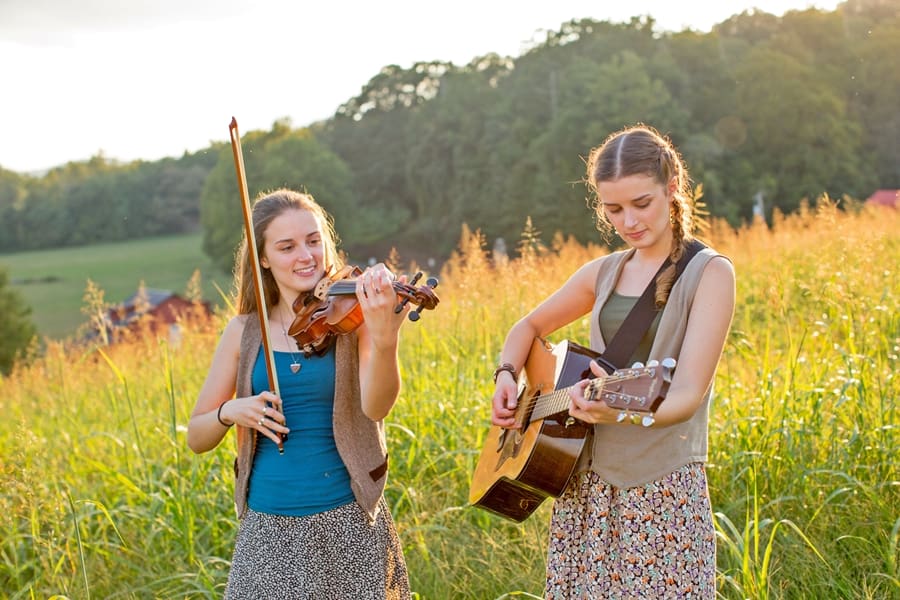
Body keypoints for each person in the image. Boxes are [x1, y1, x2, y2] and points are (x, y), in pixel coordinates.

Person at [491, 124, 735, 598]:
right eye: (614, 208)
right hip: (584, 484)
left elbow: (686, 395)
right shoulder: (603, 272)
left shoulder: (710, 273)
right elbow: (527, 329)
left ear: (673, 189)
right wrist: (506, 373)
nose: (628, 222)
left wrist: (619, 410)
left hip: (660, 488)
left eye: (641, 204)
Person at [187, 188, 411, 599]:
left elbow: (377, 406)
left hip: (347, 520)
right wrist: (230, 411)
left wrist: (384, 339)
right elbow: (196, 436)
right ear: (264, 259)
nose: (306, 256)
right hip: (267, 530)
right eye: (287, 247)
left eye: (313, 241)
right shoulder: (243, 332)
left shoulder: (351, 319)